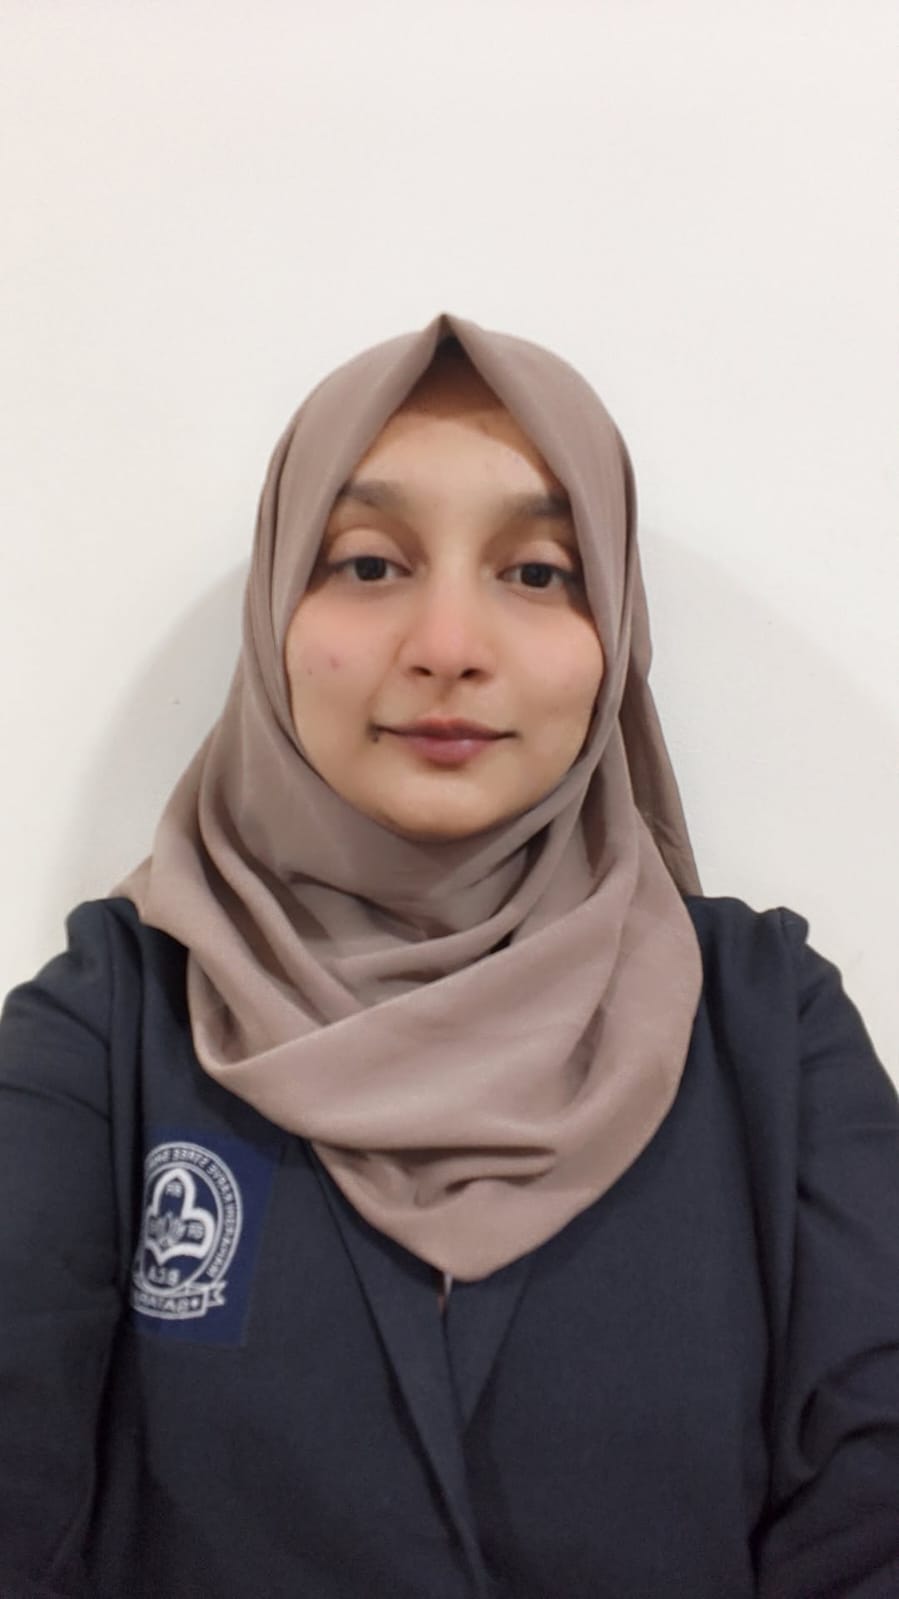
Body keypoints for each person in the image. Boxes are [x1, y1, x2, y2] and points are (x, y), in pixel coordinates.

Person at [1, 312, 897, 1599]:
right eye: (368, 563)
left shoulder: (768, 1030)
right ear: (274, 609)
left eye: (536, 572)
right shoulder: (110, 1026)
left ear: (615, 632)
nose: (448, 645)